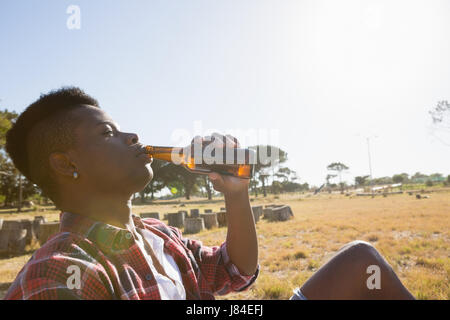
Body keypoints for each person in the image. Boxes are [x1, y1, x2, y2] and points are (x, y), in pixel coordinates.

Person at [4, 87, 414, 300]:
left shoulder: (159, 236)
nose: (133, 136)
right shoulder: (60, 272)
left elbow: (236, 271)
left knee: (362, 261)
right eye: (107, 133)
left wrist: (235, 193)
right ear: (65, 164)